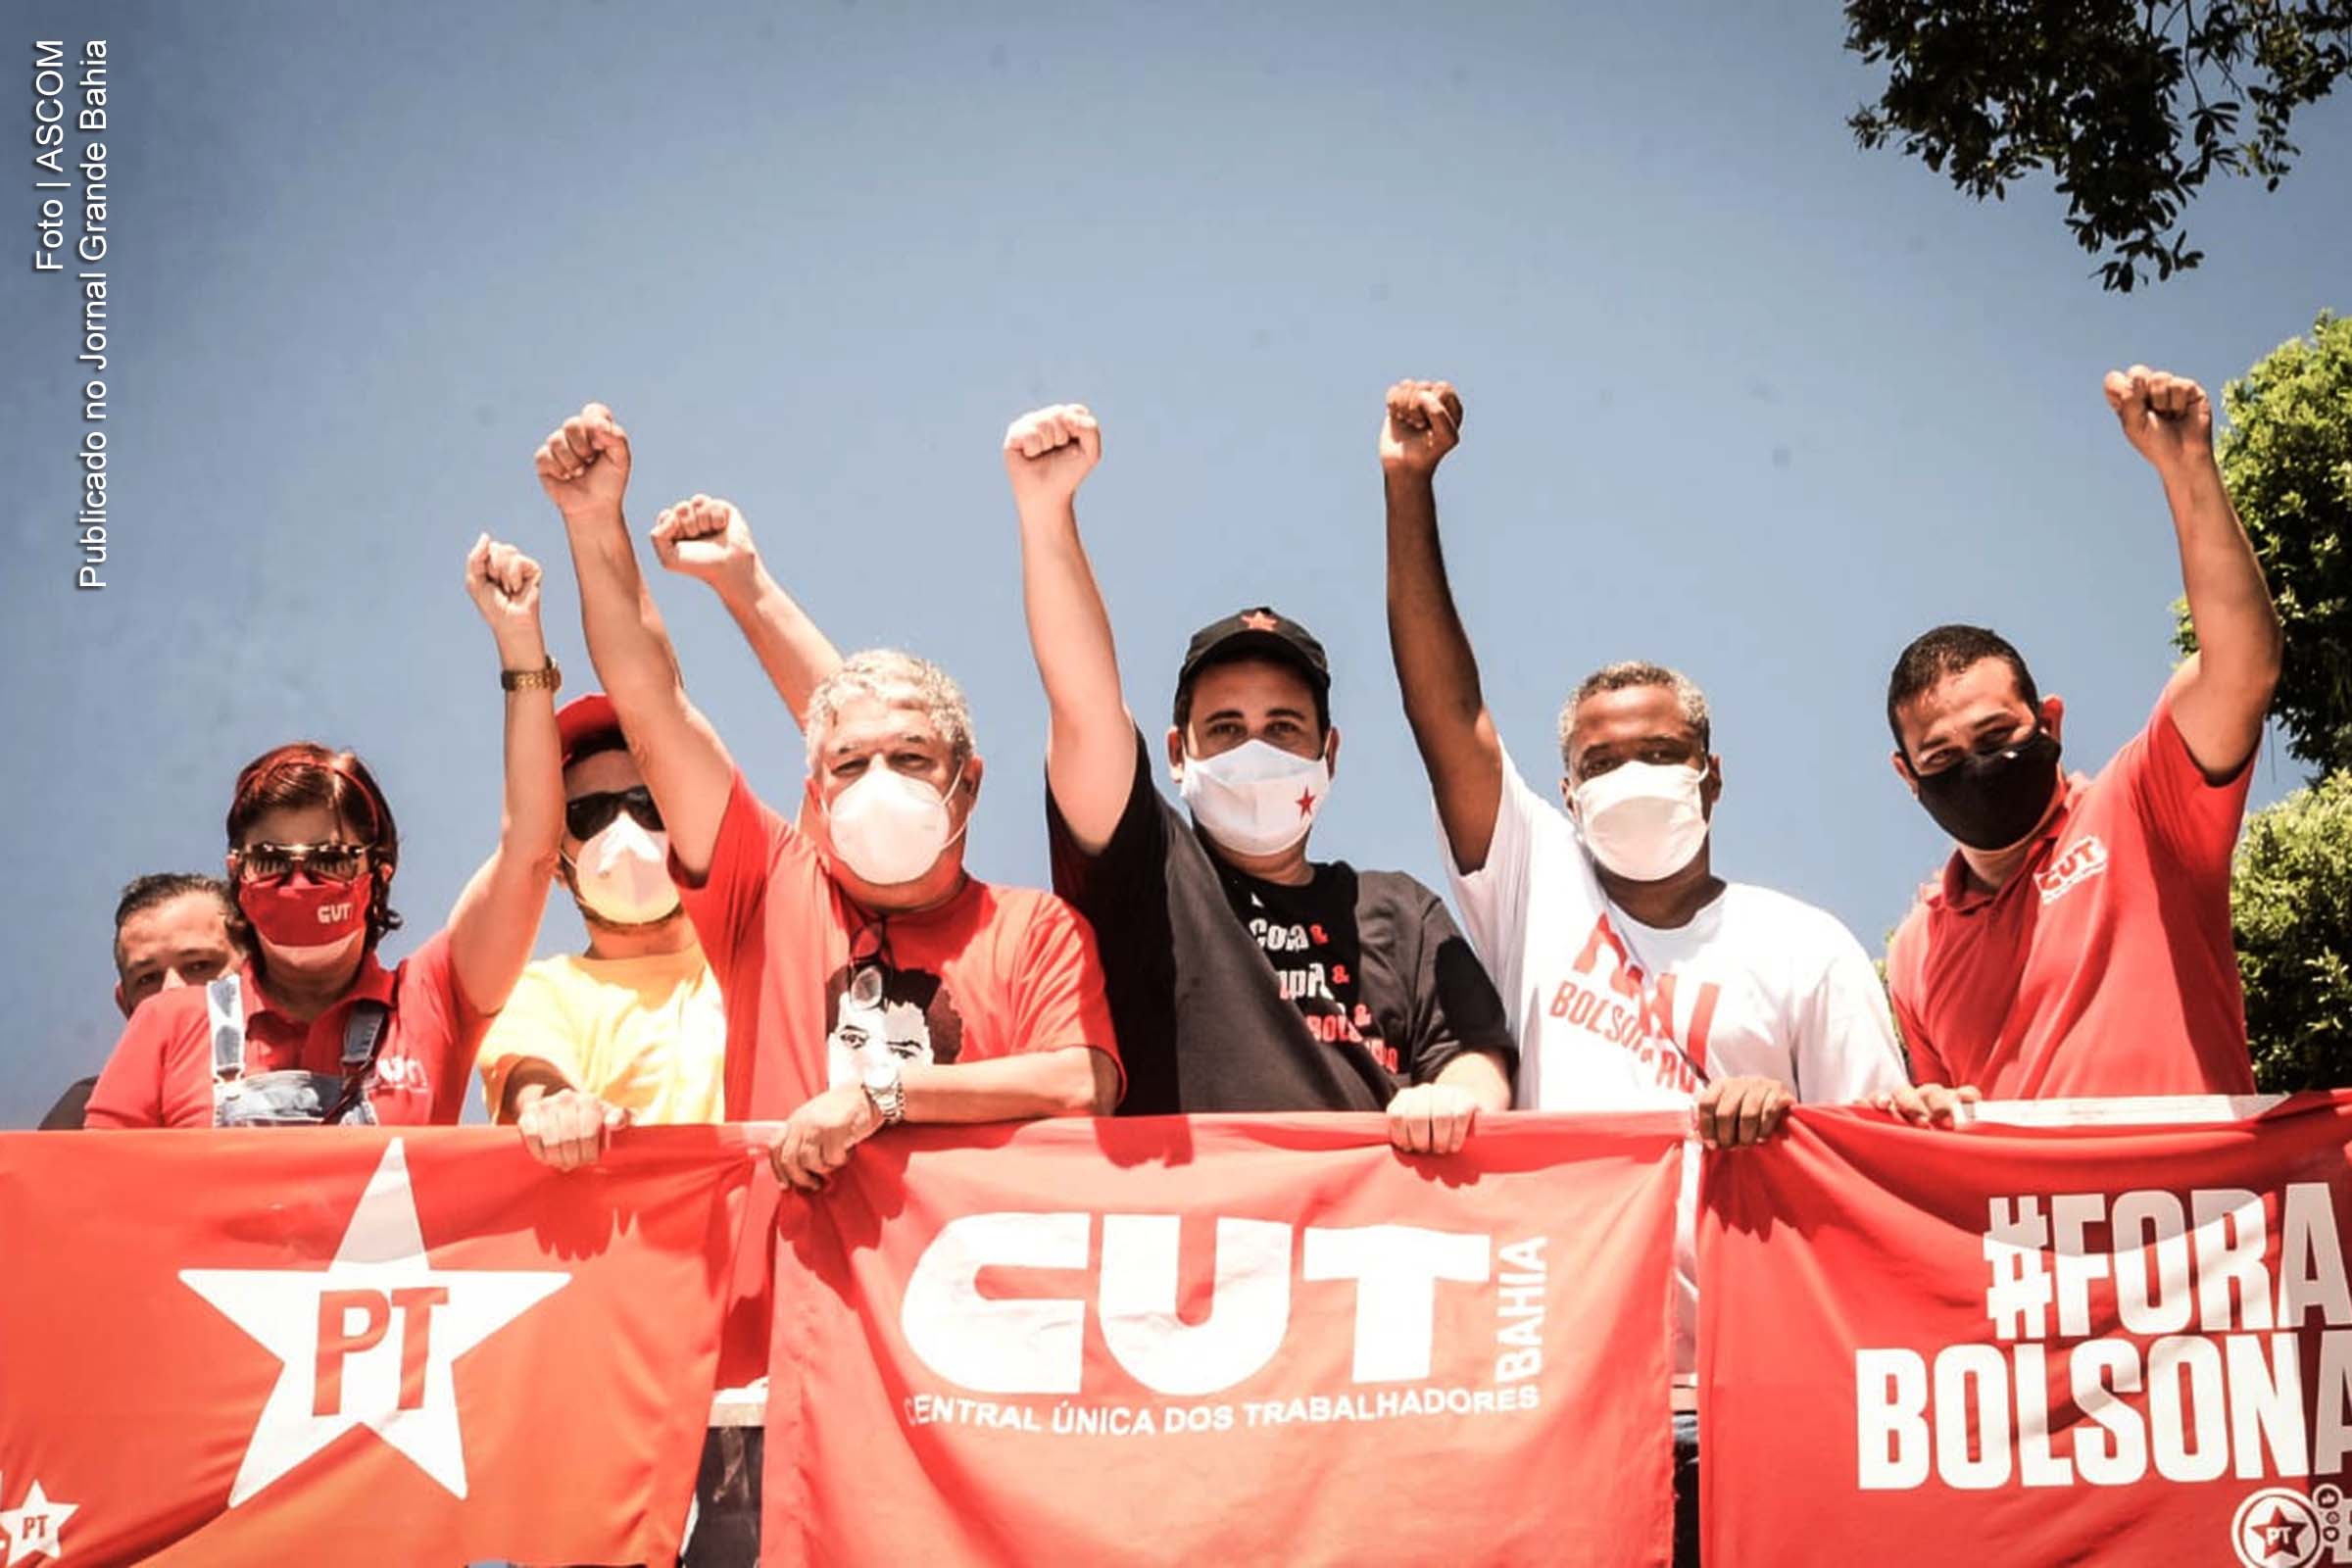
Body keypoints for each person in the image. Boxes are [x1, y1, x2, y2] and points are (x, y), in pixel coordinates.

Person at [1379, 377, 1909, 1565]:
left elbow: (1879, 1164)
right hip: (1570, 1395)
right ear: (1564, 792)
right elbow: (1444, 709)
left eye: (1661, 753)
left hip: (1765, 1403)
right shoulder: (1533, 887)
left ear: (1711, 778)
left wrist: (1786, 1135)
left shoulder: (1805, 944)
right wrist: (1408, 486)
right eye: (1599, 761)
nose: (1632, 776)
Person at [534, 403, 1122, 1199]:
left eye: (911, 757)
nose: (878, 782)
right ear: (816, 793)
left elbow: (1082, 1081)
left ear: (968, 783)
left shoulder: (1032, 930)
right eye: (849, 764)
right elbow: (651, 703)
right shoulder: (768, 889)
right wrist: (594, 522)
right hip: (780, 1306)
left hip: (957, 1309)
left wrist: (882, 1097)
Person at [1005, 403, 1515, 1152]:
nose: (1255, 749)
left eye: (1282, 728)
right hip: (1182, 1249)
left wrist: (1456, 1099)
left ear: (1329, 755)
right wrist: (1046, 512)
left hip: (1355, 1252)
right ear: (1178, 754)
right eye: (1226, 728)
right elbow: (1083, 707)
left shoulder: (1401, 913)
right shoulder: (1147, 873)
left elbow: (1476, 1054)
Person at [1884, 366, 2282, 1101]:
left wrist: (2187, 467)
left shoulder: (2144, 806)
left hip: (2206, 1213)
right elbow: (1950, 1140)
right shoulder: (1914, 951)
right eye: (1940, 756)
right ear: (1908, 777)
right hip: (2030, 1222)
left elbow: (2241, 665)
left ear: (2050, 722)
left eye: (1996, 733)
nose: (1975, 763)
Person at [84, 537, 564, 1128]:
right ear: (236, 874)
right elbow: (103, 1202)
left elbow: (531, 854)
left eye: (330, 859)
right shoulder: (168, 1024)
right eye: (270, 859)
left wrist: (520, 648)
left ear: (377, 874)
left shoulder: (434, 997)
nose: (298, 879)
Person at [476, 694, 730, 1170]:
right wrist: (555, 1106)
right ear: (555, 858)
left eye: (649, 806)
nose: (625, 829)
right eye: (590, 815)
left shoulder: (760, 964)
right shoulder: (540, 991)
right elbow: (530, 1074)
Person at [44, 874, 251, 1129]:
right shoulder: (81, 1118)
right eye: (148, 979)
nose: (173, 993)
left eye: (199, 965)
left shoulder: (303, 1078)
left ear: (254, 972)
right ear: (126, 1005)